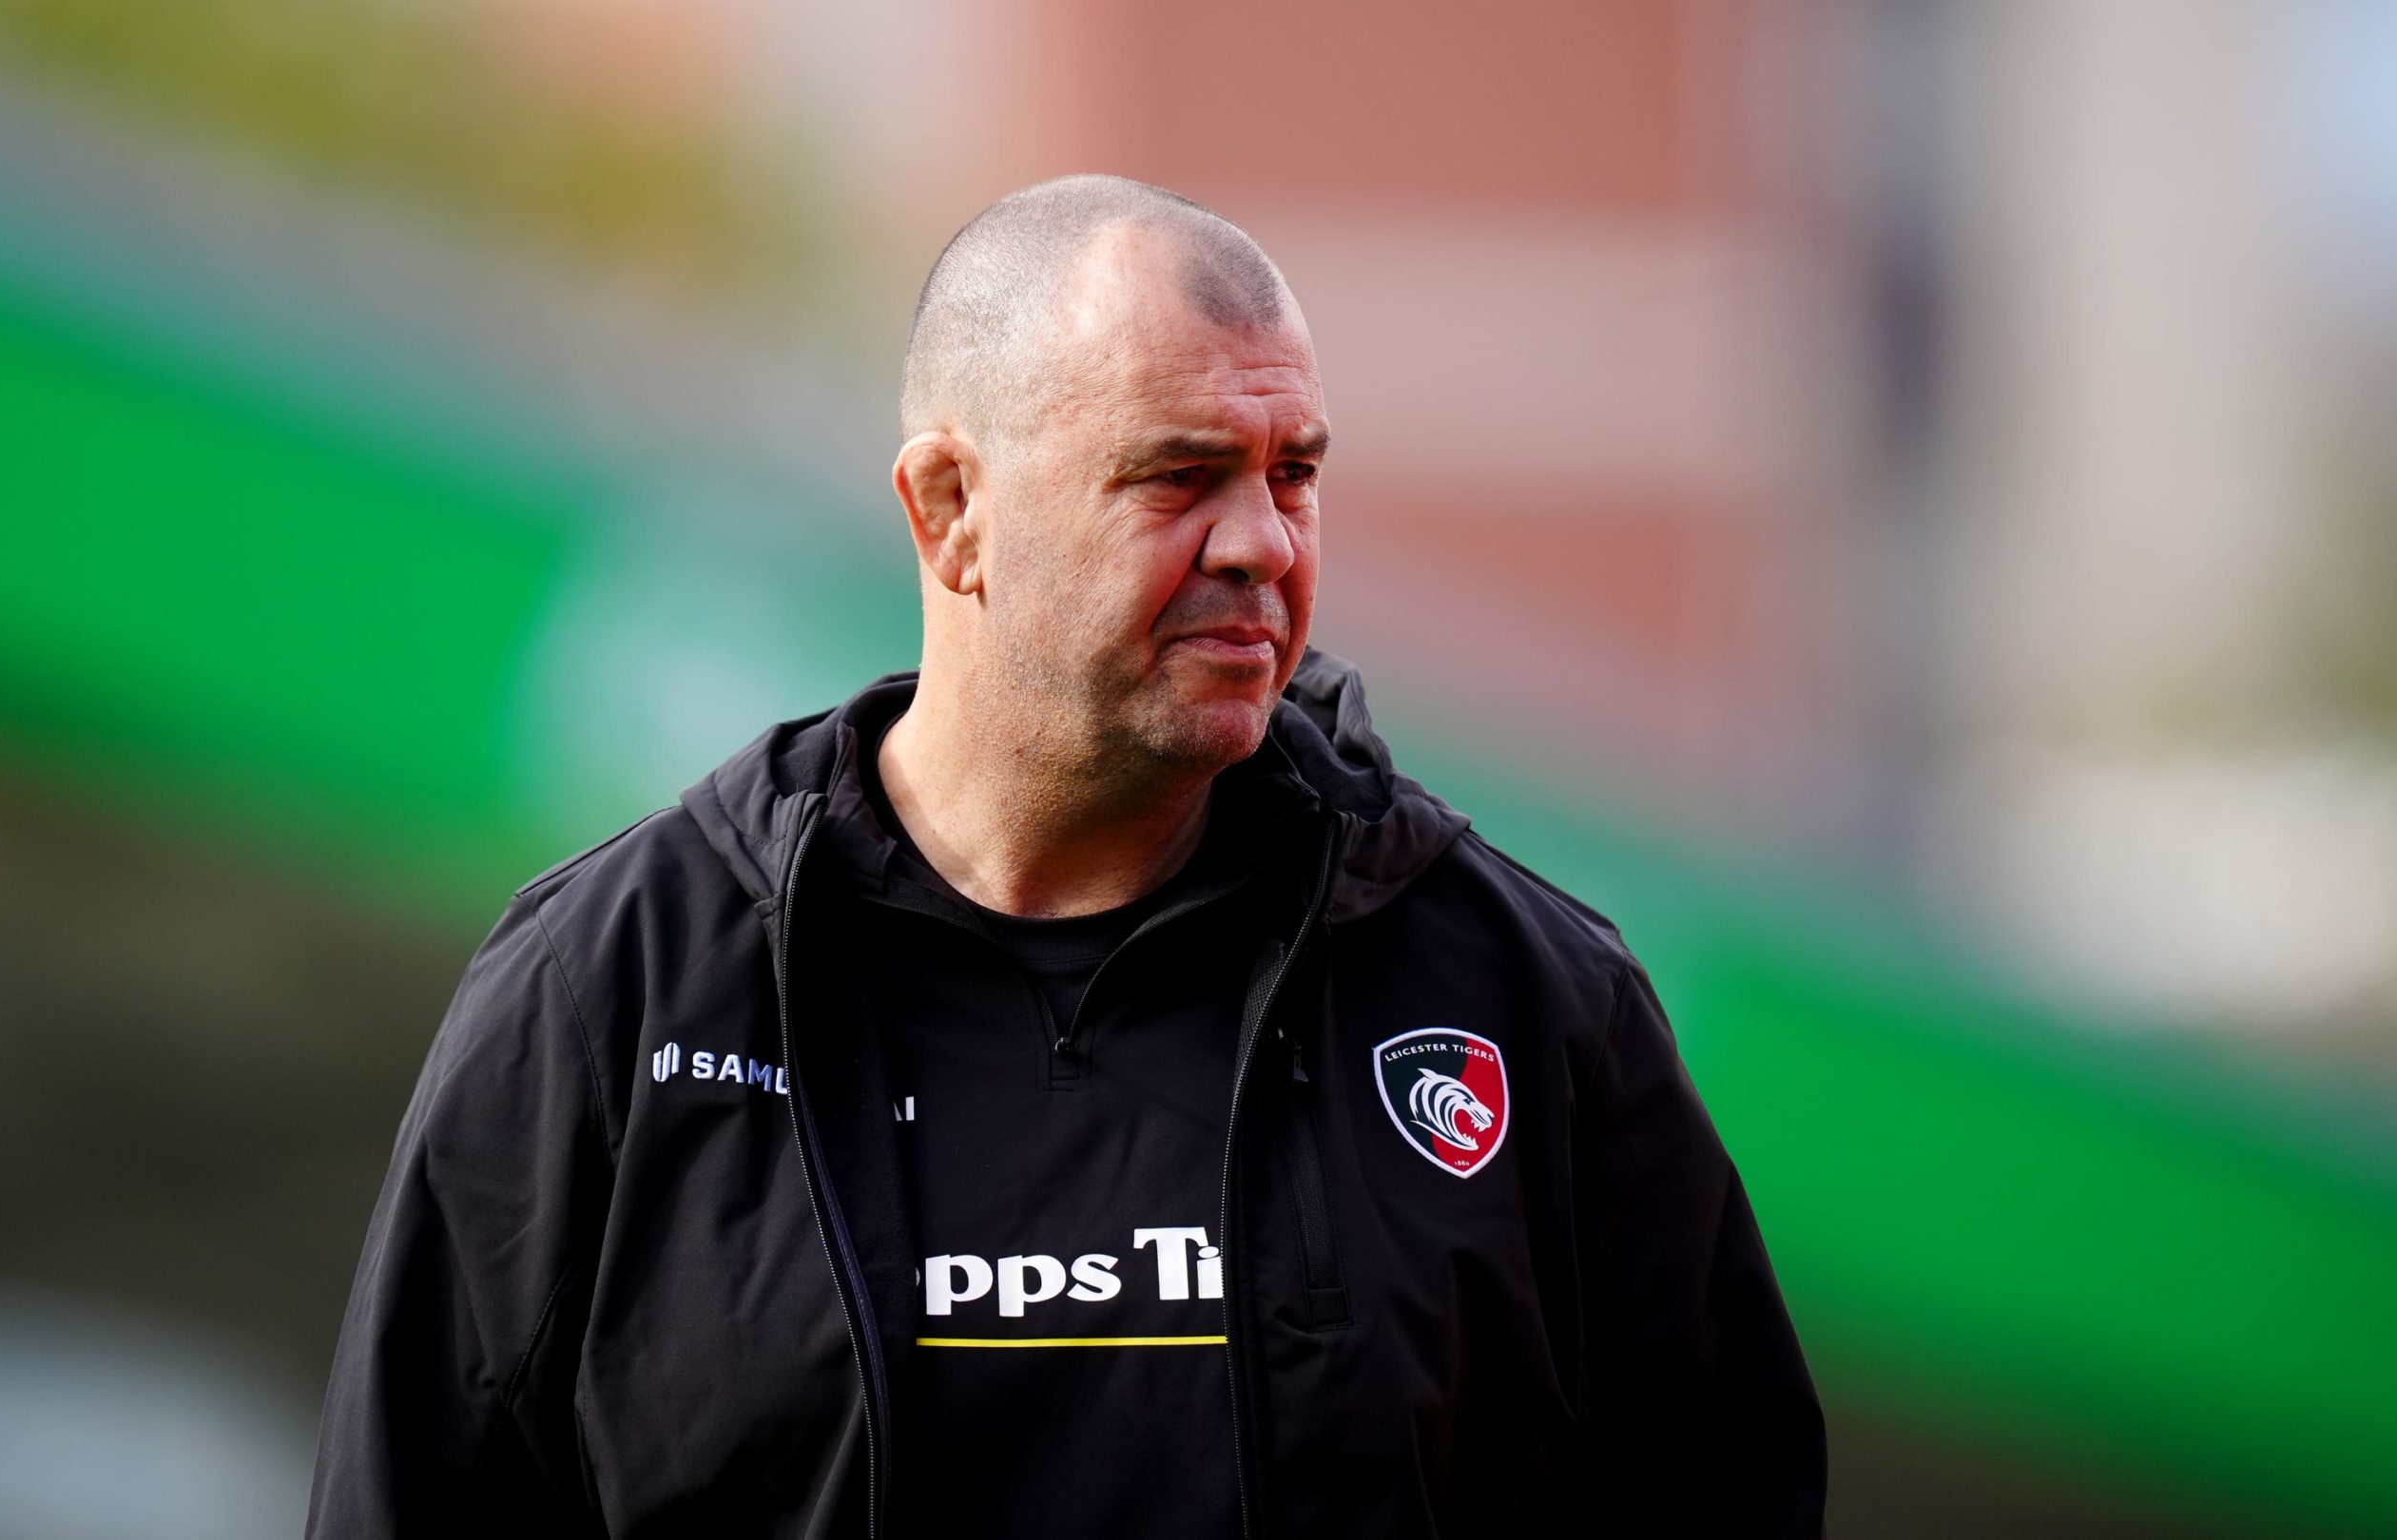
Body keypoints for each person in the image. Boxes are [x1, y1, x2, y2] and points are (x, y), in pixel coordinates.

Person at [306, 174, 1827, 1538]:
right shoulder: (613, 995)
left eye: (1293, 472)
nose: (1263, 544)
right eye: (1180, 476)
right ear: (951, 509)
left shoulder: (1523, 1002)